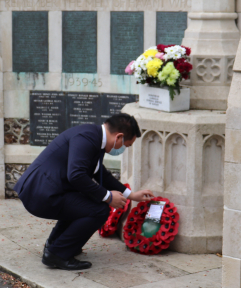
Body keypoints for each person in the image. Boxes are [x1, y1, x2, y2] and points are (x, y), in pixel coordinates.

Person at [14, 113, 155, 270]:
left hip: (44, 191)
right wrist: (108, 197)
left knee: (85, 204)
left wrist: (131, 195)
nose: (123, 149)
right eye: (126, 145)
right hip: (40, 194)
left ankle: (55, 244)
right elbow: (76, 175)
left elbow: (100, 173)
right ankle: (57, 254)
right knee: (99, 210)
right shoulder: (87, 138)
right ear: (119, 136)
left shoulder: (93, 137)